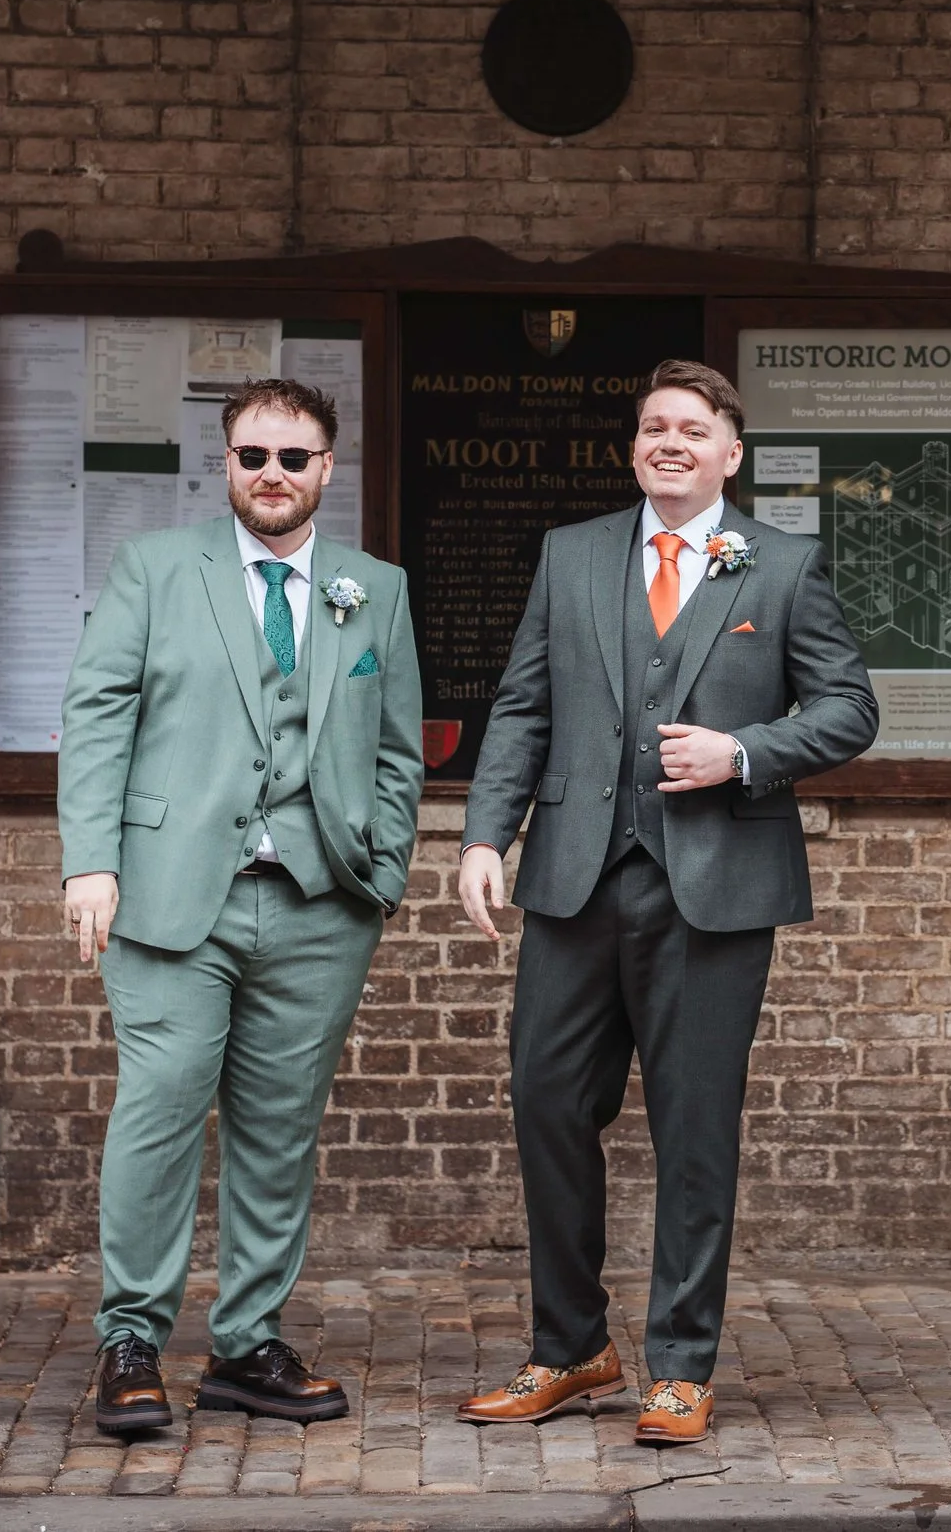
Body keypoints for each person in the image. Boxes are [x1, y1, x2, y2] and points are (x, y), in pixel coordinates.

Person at [453, 359, 877, 1445]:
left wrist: (744, 750)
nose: (670, 442)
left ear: (731, 452)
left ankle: (680, 1364)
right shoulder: (574, 553)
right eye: (653, 427)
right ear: (634, 447)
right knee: (546, 1099)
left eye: (692, 427)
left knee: (694, 1129)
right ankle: (571, 1343)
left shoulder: (781, 564)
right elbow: (522, 703)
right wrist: (485, 835)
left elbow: (848, 708)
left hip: (715, 888)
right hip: (575, 874)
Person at [58, 376, 424, 1436]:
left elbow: (398, 746)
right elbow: (95, 714)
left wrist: (380, 871)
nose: (272, 474)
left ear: (327, 468)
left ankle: (249, 1343)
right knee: (160, 1112)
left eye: (293, 457)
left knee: (279, 1131)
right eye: (252, 456)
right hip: (171, 898)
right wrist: (92, 859)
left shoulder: (375, 588)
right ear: (225, 464)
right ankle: (129, 1338)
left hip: (319, 904)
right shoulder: (158, 568)